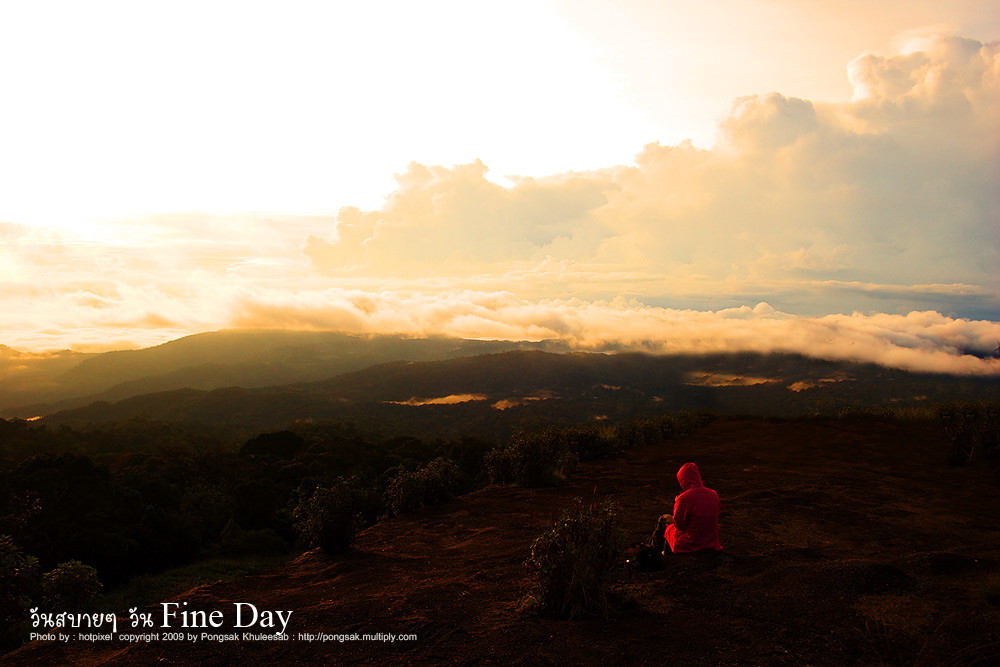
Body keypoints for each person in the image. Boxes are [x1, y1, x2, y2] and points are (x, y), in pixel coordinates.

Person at [657, 462, 722, 554]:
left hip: (691, 543)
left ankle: (655, 552)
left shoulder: (684, 498)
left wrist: (677, 504)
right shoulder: (713, 494)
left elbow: (679, 525)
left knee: (665, 520)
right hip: (711, 541)